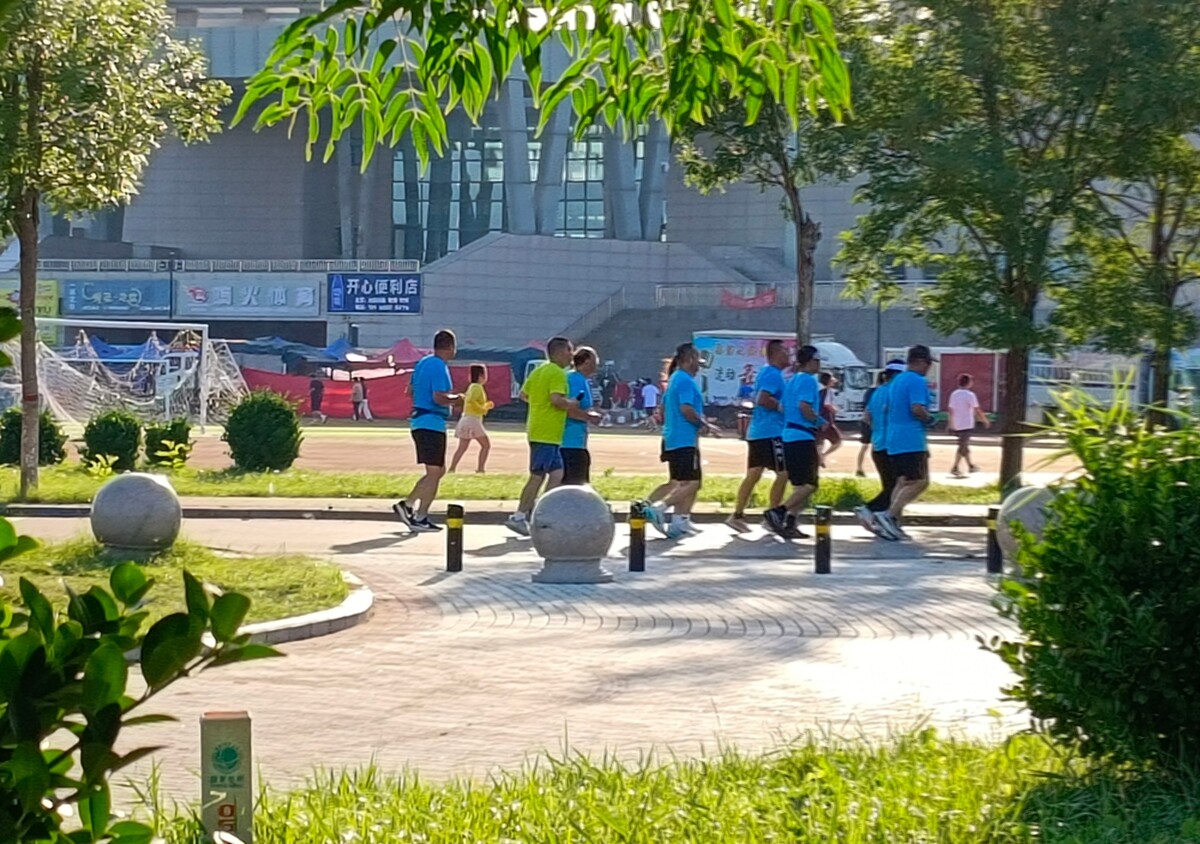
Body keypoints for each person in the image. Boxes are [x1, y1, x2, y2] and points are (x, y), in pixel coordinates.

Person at [506, 337, 581, 536]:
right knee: (537, 475)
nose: (572, 355)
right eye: (569, 350)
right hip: (546, 433)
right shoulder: (557, 373)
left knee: (557, 473)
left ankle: (541, 512)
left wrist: (539, 405)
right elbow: (556, 400)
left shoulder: (539, 371)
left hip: (542, 431)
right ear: (560, 351)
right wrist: (571, 403)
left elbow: (523, 394)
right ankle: (519, 516)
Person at [393, 330, 462, 532]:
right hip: (431, 422)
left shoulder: (423, 363)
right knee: (434, 472)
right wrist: (458, 399)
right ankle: (417, 513)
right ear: (451, 347)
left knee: (437, 470)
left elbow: (409, 391)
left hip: (420, 421)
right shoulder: (439, 366)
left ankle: (412, 508)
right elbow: (439, 397)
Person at [641, 343, 711, 540]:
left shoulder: (674, 379)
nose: (699, 367)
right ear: (689, 360)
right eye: (697, 362)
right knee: (693, 483)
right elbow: (686, 409)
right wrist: (703, 424)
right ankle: (660, 507)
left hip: (674, 438)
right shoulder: (685, 381)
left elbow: (663, 410)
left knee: (683, 482)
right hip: (684, 439)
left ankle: (680, 521)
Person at [727, 338, 790, 533]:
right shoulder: (773, 375)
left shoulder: (766, 372)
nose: (789, 355)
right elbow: (763, 399)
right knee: (784, 473)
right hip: (771, 432)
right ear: (775, 354)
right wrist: (781, 407)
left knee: (753, 474)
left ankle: (737, 515)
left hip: (758, 432)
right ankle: (772, 516)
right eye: (785, 352)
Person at [875, 345, 935, 541]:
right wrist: (930, 419)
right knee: (920, 481)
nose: (929, 368)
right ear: (920, 361)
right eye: (928, 363)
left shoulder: (897, 380)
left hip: (894, 438)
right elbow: (917, 408)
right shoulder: (917, 380)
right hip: (911, 438)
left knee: (902, 481)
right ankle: (889, 516)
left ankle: (893, 525)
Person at [765, 345, 824, 539]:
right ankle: (779, 512)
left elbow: (783, 406)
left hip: (788, 434)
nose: (819, 364)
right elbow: (805, 406)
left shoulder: (792, 380)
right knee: (810, 484)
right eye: (817, 360)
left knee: (800, 486)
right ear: (810, 361)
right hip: (802, 436)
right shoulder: (808, 380)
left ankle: (790, 523)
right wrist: (819, 422)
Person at [853, 360, 906, 535]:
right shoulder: (894, 393)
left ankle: (889, 522)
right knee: (896, 486)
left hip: (877, 444)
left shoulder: (877, 392)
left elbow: (866, 417)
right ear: (897, 375)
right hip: (891, 446)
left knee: (890, 485)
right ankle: (870, 510)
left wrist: (877, 429)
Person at [562, 346, 602, 485]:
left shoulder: (581, 379)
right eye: (595, 360)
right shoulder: (575, 379)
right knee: (576, 483)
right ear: (587, 361)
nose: (597, 363)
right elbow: (569, 409)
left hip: (576, 440)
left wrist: (592, 414)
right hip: (570, 442)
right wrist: (590, 417)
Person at [449, 364, 494, 474]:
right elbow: (471, 401)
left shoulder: (472, 386)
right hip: (473, 419)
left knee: (462, 447)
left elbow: (469, 399)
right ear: (481, 375)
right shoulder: (477, 387)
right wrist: (484, 408)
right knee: (486, 445)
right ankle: (480, 469)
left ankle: (452, 468)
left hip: (466, 418)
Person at [948, 373, 991, 478]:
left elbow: (951, 409)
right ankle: (955, 467)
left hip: (957, 423)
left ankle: (971, 466)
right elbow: (977, 409)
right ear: (968, 383)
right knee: (963, 446)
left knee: (964, 445)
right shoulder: (970, 395)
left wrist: (950, 422)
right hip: (966, 423)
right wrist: (985, 420)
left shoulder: (954, 394)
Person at [816, 371, 843, 467]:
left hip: (818, 420)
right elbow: (827, 404)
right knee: (837, 442)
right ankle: (823, 456)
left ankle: (819, 458)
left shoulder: (819, 392)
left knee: (819, 442)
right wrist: (834, 410)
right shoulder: (829, 391)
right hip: (827, 421)